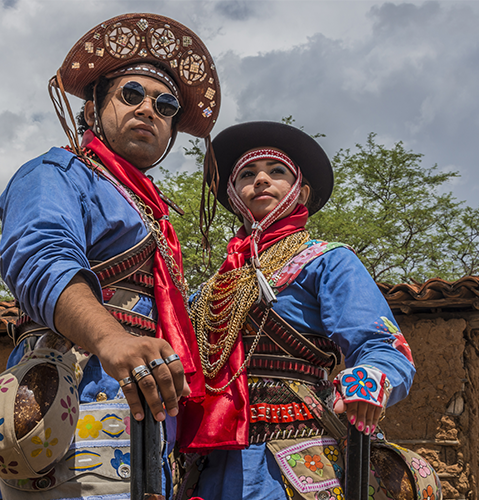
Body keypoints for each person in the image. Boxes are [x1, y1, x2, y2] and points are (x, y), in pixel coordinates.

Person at [0, 13, 220, 500]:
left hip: (146, 414)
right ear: (92, 111)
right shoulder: (57, 171)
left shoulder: (152, 211)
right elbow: (40, 256)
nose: (148, 109)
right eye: (132, 95)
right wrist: (111, 337)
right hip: (74, 392)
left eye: (165, 105)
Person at [176, 121, 421, 500]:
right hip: (211, 463)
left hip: (295, 457)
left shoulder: (327, 260)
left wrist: (369, 379)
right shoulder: (209, 291)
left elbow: (382, 345)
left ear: (300, 191)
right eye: (246, 174)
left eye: (277, 172)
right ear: (232, 194)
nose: (261, 180)